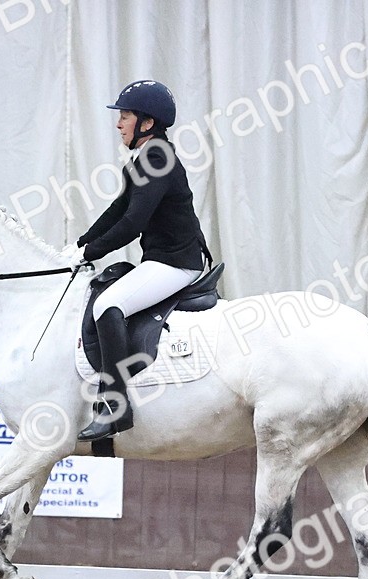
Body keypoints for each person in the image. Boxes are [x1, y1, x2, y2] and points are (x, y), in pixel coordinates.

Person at [75, 80, 208, 441]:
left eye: (126, 115)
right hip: (163, 260)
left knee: (108, 305)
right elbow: (119, 209)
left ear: (147, 123)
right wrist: (81, 244)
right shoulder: (148, 157)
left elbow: (133, 224)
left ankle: (114, 407)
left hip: (175, 263)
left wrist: (92, 252)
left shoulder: (157, 158)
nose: (119, 123)